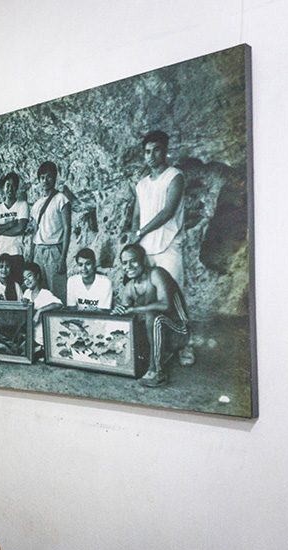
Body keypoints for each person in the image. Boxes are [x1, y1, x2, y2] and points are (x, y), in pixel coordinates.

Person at [113, 244, 190, 387]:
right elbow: (125, 311)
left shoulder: (156, 274)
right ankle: (157, 358)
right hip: (157, 336)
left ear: (144, 261)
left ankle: (156, 371)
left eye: (133, 261)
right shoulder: (129, 287)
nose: (128, 266)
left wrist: (133, 309)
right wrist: (119, 311)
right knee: (139, 323)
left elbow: (165, 305)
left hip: (178, 333)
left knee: (153, 317)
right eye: (124, 263)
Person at [131, 130, 186, 288]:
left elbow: (167, 212)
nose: (151, 155)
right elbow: (136, 215)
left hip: (169, 246)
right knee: (149, 296)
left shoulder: (174, 176)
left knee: (172, 295)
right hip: (145, 249)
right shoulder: (142, 184)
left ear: (165, 151)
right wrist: (134, 239)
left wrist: (141, 232)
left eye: (156, 150)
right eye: (147, 152)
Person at [29, 161, 71, 303]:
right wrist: (31, 256)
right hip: (39, 252)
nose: (45, 180)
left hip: (54, 251)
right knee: (38, 292)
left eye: (49, 176)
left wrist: (62, 257)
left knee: (57, 294)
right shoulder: (36, 204)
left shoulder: (61, 199)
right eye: (42, 177)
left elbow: (67, 229)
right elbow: (34, 233)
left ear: (55, 178)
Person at [0, 172, 30, 284]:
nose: (10, 189)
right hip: (0, 252)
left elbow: (20, 228)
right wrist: (10, 224)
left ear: (17, 187)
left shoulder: (22, 205)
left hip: (16, 253)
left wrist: (1, 229)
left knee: (15, 288)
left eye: (13, 185)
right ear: (3, 187)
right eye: (7, 185)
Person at [21, 261, 62, 349]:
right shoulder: (26, 293)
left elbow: (59, 304)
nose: (27, 280)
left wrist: (40, 311)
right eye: (24, 278)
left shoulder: (45, 293)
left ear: (37, 276)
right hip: (29, 336)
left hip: (41, 338)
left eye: (29, 276)